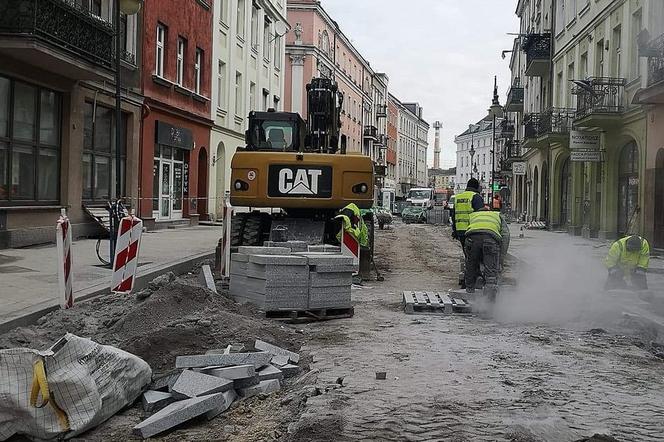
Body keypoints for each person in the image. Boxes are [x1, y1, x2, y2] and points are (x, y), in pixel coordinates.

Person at [464, 207, 509, 300]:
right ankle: (489, 300)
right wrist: (501, 257)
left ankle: (469, 291)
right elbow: (506, 235)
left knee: (470, 265)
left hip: (471, 239)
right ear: (489, 212)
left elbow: (467, 231)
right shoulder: (497, 215)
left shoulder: (473, 215)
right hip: (490, 239)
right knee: (491, 269)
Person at [451, 178, 485, 248]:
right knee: (473, 254)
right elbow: (481, 215)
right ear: (477, 187)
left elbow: (453, 215)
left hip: (460, 231)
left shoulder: (458, 197)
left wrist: (454, 231)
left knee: (466, 251)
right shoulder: (476, 197)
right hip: (473, 231)